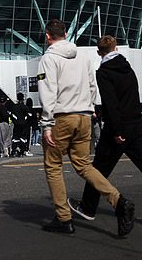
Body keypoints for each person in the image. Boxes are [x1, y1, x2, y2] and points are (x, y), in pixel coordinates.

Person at [68, 35, 142, 231]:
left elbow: (111, 104)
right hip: (136, 128)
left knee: (98, 169)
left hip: (117, 129)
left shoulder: (104, 72)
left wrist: (116, 130)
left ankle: (88, 207)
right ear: (116, 48)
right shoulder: (128, 68)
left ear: (99, 52)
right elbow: (131, 98)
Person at [37, 20, 134, 236]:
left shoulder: (49, 58)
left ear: (47, 36)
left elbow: (48, 91)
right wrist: (88, 109)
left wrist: (46, 124)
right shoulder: (82, 56)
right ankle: (118, 200)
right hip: (84, 117)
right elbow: (92, 85)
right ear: (65, 33)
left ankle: (63, 218)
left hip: (62, 117)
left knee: (53, 166)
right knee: (83, 165)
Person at [10, 92, 33, 157]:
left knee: (15, 138)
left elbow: (12, 115)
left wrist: (15, 121)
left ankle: (13, 151)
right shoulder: (25, 107)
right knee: (23, 138)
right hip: (24, 125)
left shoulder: (14, 107)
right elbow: (29, 115)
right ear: (23, 99)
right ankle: (22, 151)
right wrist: (25, 120)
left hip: (16, 125)